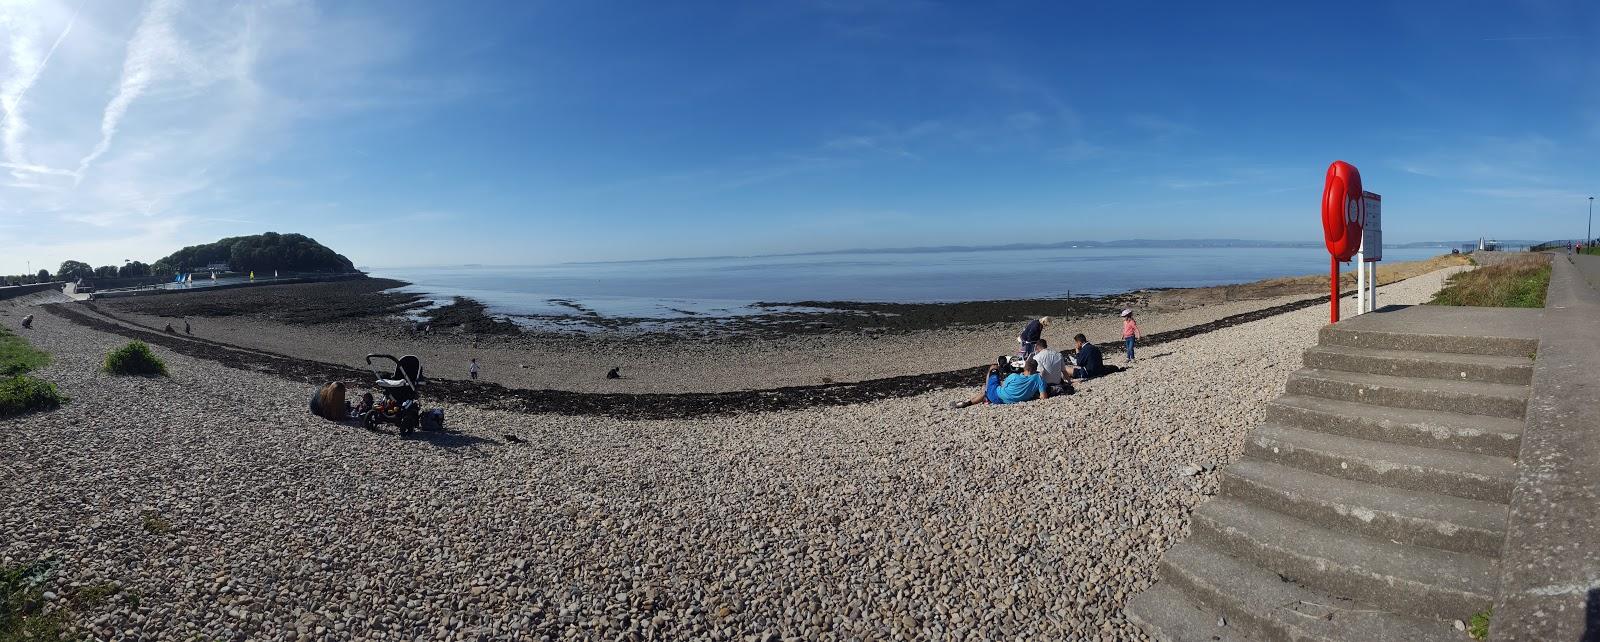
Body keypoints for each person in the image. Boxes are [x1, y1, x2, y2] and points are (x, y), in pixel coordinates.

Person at [950, 358, 1049, 408]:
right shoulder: (1039, 379)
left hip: (998, 396)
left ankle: (978, 396)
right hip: (1007, 401)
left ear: (1025, 367)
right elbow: (1043, 397)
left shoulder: (1014, 376)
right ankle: (975, 399)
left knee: (993, 367)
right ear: (1035, 369)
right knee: (986, 391)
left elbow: (1003, 385)